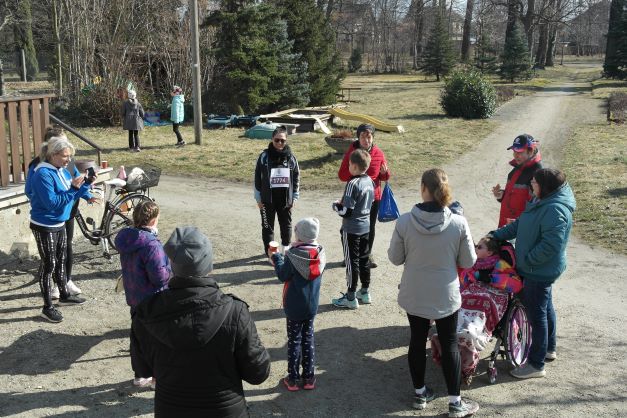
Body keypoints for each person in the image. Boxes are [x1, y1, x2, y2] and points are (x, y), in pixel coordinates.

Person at [132, 226, 271, 417]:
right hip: (225, 411)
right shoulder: (235, 312)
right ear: (208, 265)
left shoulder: (146, 312)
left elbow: (142, 368)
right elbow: (258, 373)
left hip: (171, 409)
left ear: (171, 264)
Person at [387, 168, 479, 417]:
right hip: (445, 294)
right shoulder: (458, 223)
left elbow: (395, 258)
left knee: (417, 340)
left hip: (415, 292)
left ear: (423, 189)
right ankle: (455, 402)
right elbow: (468, 261)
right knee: (449, 343)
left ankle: (420, 394)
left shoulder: (404, 221)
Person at [490, 168, 575, 379]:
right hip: (536, 268)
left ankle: (536, 365)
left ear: (545, 187)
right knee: (544, 308)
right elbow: (521, 224)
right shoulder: (541, 200)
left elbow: (552, 245)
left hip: (538, 270)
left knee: (536, 316)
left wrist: (527, 260)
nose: (531, 185)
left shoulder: (554, 209)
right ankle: (548, 349)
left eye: (534, 183)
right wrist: (495, 235)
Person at [433, 236, 520, 384]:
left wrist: (490, 278)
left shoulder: (500, 264)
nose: (476, 248)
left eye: (480, 247)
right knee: (460, 304)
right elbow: (463, 281)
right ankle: (458, 332)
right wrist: (472, 277)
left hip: (493, 296)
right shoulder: (474, 263)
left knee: (482, 305)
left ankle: (470, 333)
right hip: (473, 292)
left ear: (490, 252)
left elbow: (515, 284)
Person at [25, 127, 95, 299]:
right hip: (49, 216)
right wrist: (41, 198)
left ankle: (65, 281)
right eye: (63, 143)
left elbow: (75, 181)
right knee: (51, 259)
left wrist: (87, 192)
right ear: (52, 147)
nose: (68, 156)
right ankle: (53, 291)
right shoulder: (39, 167)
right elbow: (35, 193)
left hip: (66, 211)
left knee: (65, 248)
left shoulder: (65, 163)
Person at [114, 200, 172, 388]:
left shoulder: (127, 239)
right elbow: (159, 277)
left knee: (138, 337)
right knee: (157, 339)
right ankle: (156, 377)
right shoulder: (151, 244)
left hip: (135, 296)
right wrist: (171, 270)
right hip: (153, 299)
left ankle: (141, 375)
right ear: (154, 220)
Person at [270, 217, 326, 392]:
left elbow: (283, 275)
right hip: (311, 305)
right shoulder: (320, 253)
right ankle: (308, 378)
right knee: (308, 339)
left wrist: (276, 257)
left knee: (294, 340)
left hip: (294, 306)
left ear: (299, 235)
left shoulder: (293, 255)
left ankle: (293, 379)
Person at [338, 123, 390, 267]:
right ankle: (350, 256)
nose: (366, 140)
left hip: (373, 198)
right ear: (358, 137)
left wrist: (384, 173)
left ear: (373, 138)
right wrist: (355, 172)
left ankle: (366, 256)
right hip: (353, 197)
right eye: (363, 137)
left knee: (369, 227)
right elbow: (342, 175)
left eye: (369, 137)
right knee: (349, 227)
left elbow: (385, 177)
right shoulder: (352, 153)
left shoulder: (378, 153)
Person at [331, 149, 374, 309]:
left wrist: (336, 206)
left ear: (354, 166)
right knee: (364, 259)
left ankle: (350, 297)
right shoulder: (370, 181)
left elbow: (346, 212)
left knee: (351, 262)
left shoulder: (352, 183)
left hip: (351, 229)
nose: (348, 167)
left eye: (349, 164)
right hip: (366, 227)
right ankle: (365, 292)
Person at [254, 126, 300, 257]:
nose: (280, 143)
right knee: (267, 227)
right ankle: (271, 254)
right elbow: (257, 177)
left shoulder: (291, 158)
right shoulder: (264, 157)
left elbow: (296, 177)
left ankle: (285, 251)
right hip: (267, 200)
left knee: (286, 226)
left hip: (285, 200)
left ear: (286, 141)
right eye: (277, 140)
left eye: (283, 140)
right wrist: (258, 198)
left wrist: (294, 197)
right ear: (272, 139)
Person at [492, 133, 542, 227]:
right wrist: (501, 195)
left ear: (530, 151)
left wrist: (520, 224)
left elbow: (536, 208)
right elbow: (515, 195)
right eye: (514, 151)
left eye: (520, 152)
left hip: (519, 228)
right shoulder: (518, 167)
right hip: (506, 225)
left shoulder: (537, 174)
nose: (515, 155)